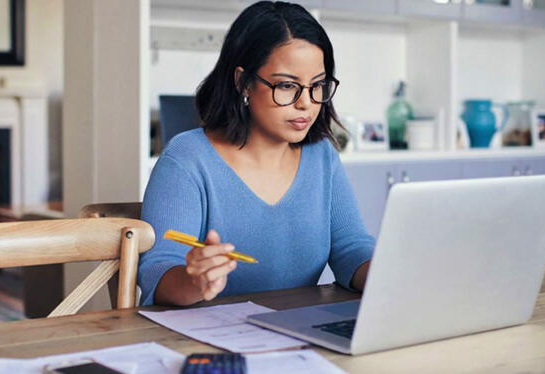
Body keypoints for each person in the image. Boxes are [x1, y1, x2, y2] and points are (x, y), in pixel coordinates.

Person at [138, 1, 375, 306]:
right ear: (244, 82)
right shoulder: (188, 158)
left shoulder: (321, 156)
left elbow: (350, 248)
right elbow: (158, 271)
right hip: (207, 342)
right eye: (287, 86)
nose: (306, 103)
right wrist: (193, 281)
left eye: (318, 85)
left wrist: (389, 275)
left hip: (297, 334)